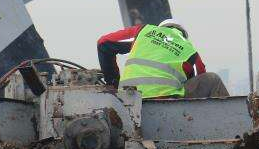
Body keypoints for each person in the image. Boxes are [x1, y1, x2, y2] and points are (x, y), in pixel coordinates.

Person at [97, 19, 229, 99]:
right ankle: (236, 128)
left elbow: (104, 43)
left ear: (160, 27)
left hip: (128, 99)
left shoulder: (143, 32)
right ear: (183, 34)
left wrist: (113, 84)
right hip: (166, 99)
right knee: (212, 79)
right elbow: (199, 81)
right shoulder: (188, 49)